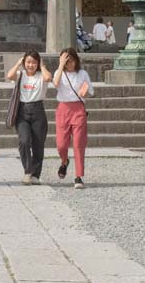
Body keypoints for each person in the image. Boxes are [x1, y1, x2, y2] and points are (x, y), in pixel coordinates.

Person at [5, 50, 49, 185]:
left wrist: (42, 65)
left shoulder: (41, 75)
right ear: (25, 63)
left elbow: (48, 78)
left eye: (34, 62)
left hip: (38, 110)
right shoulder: (21, 74)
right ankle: (27, 171)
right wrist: (18, 63)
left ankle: (36, 175)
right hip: (22, 111)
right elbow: (9, 75)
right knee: (24, 141)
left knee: (38, 144)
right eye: (28, 62)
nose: (31, 65)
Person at [53, 47, 92, 188]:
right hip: (63, 109)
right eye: (66, 60)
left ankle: (78, 176)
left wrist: (85, 91)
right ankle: (64, 161)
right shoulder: (59, 73)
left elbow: (89, 91)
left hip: (78, 109)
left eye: (71, 60)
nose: (69, 63)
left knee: (78, 144)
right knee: (61, 145)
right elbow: (56, 84)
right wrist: (61, 65)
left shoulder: (82, 74)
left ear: (76, 60)